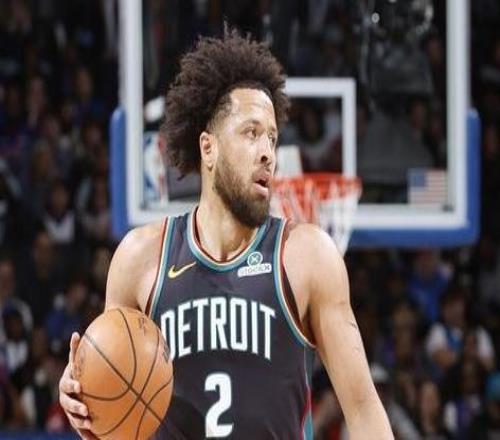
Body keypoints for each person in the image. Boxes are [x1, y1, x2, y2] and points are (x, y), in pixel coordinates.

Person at [58, 29, 392, 439]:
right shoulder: (140, 258)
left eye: (272, 137)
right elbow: (114, 399)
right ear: (208, 147)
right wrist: (86, 399)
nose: (267, 152)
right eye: (251, 132)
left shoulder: (306, 256)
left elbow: (363, 409)